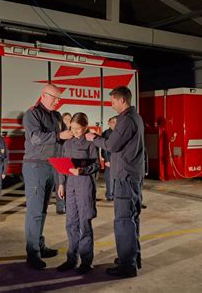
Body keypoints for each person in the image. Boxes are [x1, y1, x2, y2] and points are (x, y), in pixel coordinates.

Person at [86, 86, 145, 278]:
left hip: (125, 176)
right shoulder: (136, 117)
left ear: (122, 100)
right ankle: (133, 258)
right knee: (132, 217)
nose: (111, 105)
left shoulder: (125, 120)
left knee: (123, 220)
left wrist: (95, 138)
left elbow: (111, 145)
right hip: (133, 175)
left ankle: (127, 266)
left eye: (112, 101)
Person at [22, 84, 73, 270]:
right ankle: (32, 252)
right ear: (44, 95)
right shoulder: (32, 114)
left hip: (52, 165)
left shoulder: (56, 116)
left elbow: (60, 146)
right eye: (55, 98)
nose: (57, 102)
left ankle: (39, 245)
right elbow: (35, 137)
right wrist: (59, 134)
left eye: (59, 99)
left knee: (42, 210)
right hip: (35, 165)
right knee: (35, 211)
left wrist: (63, 173)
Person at [56, 112, 100, 274]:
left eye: (77, 129)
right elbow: (63, 164)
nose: (74, 131)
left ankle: (86, 262)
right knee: (70, 223)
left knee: (84, 224)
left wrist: (82, 170)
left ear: (85, 127)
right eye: (72, 128)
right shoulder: (67, 144)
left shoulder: (90, 144)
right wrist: (61, 184)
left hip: (84, 185)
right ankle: (71, 259)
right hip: (70, 186)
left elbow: (96, 165)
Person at [101, 116, 117, 202]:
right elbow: (104, 148)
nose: (115, 124)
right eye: (113, 122)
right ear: (109, 123)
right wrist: (106, 160)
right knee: (110, 178)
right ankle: (109, 196)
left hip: (117, 158)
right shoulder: (107, 133)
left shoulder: (117, 133)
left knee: (116, 178)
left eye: (116, 122)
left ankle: (114, 194)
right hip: (110, 158)